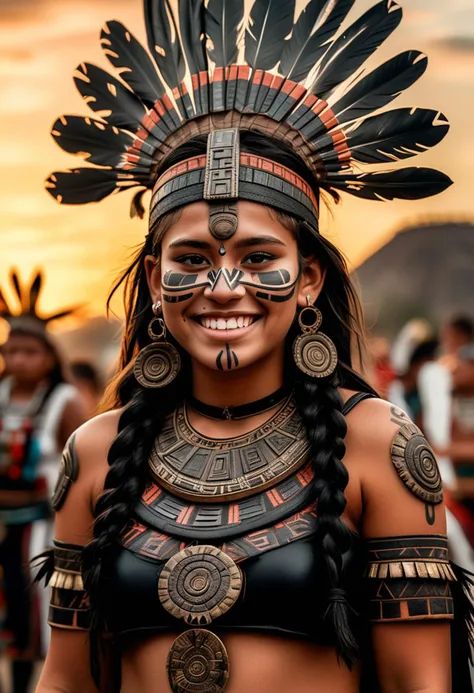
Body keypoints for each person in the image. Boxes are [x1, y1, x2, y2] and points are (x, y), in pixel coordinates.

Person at [35, 1, 473, 692]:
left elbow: (422, 682)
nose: (225, 284)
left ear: (308, 278)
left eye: (259, 254)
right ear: (154, 279)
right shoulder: (95, 451)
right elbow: (64, 679)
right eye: (193, 259)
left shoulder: (377, 443)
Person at [0, 271, 86, 693]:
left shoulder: (63, 402)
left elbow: (87, 461)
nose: (18, 360)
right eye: (11, 351)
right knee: (11, 614)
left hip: (44, 527)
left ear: (49, 357)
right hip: (4, 523)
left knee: (39, 609)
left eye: (29, 352)